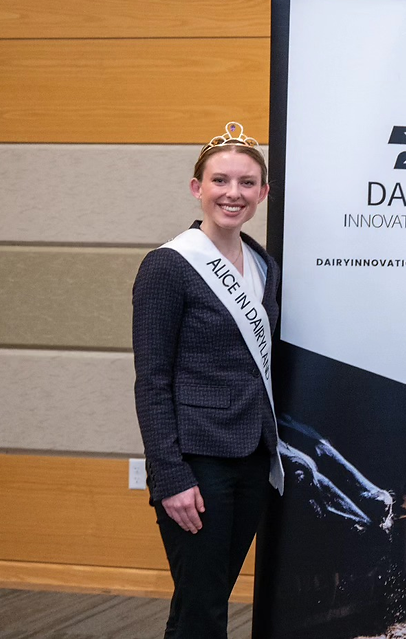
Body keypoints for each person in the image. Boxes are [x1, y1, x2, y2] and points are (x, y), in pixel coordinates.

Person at [133, 122, 284, 639]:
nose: (233, 194)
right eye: (220, 181)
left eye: (246, 183)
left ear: (263, 192)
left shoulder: (264, 264)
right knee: (203, 609)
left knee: (207, 597)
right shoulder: (167, 267)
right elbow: (151, 381)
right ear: (197, 187)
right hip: (196, 463)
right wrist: (169, 475)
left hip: (252, 458)